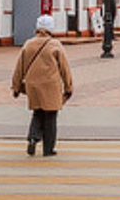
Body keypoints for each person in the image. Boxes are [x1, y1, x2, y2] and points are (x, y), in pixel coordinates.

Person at [11, 13, 73, 157]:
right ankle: (48, 149)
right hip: (51, 86)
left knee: (37, 112)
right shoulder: (55, 45)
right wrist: (68, 87)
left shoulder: (28, 44)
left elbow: (19, 67)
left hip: (33, 86)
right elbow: (64, 68)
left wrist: (16, 86)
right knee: (50, 116)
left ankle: (33, 138)